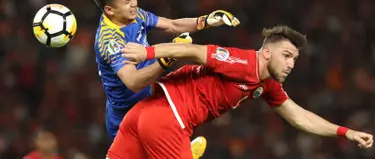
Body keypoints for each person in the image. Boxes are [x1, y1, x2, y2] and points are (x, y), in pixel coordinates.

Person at [106, 25, 373, 159]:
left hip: (143, 114)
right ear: (266, 52)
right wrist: (147, 52)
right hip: (168, 120)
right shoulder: (242, 61)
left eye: (295, 59)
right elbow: (193, 51)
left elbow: (298, 116)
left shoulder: (267, 83)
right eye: (287, 55)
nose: (291, 63)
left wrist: (345, 131)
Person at [91, 0, 239, 158]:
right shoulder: (111, 41)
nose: (134, 3)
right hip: (127, 117)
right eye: (127, 1)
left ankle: (178, 150)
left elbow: (173, 25)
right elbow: (133, 82)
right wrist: (166, 59)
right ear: (110, 10)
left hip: (151, 103)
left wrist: (206, 20)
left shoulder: (136, 16)